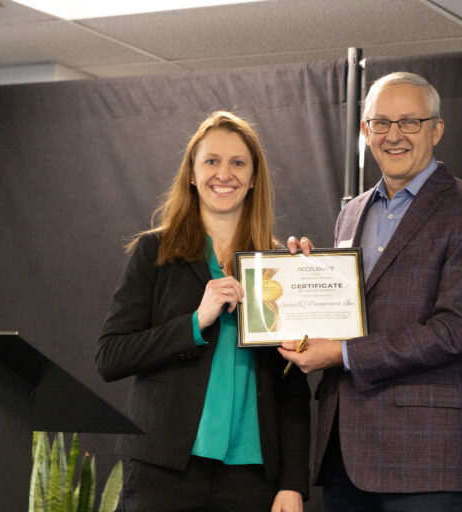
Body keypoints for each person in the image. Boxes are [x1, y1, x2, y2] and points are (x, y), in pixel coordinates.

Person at [280, 72, 462, 511]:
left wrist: (342, 354)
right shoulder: (352, 212)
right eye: (380, 122)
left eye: (409, 122)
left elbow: (456, 329)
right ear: (365, 132)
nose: (393, 135)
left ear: (436, 129)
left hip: (426, 456)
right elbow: (346, 315)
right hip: (344, 451)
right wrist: (302, 281)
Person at [96, 111, 310, 512]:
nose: (223, 173)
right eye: (211, 161)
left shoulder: (279, 267)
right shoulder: (154, 253)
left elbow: (292, 389)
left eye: (237, 162)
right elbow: (111, 356)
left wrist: (293, 482)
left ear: (253, 177)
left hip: (252, 478)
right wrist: (196, 322)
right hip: (164, 471)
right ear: (192, 174)